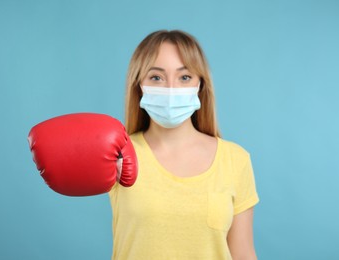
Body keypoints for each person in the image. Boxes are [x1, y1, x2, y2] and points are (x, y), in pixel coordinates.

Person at [108, 30, 260, 259]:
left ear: (200, 85)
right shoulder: (117, 155)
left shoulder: (235, 159)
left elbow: (243, 253)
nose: (171, 89)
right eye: (156, 77)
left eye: (184, 77)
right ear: (139, 85)